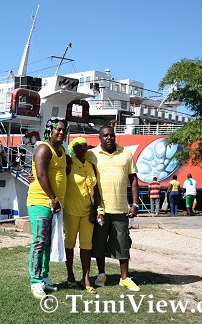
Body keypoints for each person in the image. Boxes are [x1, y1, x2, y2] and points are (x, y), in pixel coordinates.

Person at [87, 125, 141, 292]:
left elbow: (133, 180)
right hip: (100, 210)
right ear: (100, 138)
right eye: (105, 136)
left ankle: (124, 277)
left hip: (121, 210)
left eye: (111, 135)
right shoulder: (91, 154)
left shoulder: (126, 154)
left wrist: (135, 204)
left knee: (123, 243)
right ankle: (102, 274)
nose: (109, 138)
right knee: (99, 243)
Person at [26, 117, 68, 299]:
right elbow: (41, 175)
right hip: (41, 201)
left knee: (47, 242)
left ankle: (44, 277)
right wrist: (53, 197)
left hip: (53, 203)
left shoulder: (61, 149)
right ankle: (35, 281)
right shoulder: (44, 148)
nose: (61, 132)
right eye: (57, 129)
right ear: (50, 130)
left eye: (63, 130)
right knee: (39, 242)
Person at [64, 137, 101, 294]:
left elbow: (96, 189)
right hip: (71, 211)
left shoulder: (91, 165)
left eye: (85, 146)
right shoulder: (68, 163)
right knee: (70, 243)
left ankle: (86, 278)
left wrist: (100, 209)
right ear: (73, 148)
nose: (83, 149)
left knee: (87, 245)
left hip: (88, 211)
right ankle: (70, 275)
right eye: (79, 146)